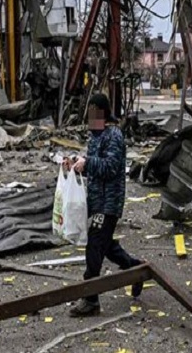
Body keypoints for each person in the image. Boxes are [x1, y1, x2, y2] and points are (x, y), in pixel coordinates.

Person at [64, 93, 143, 317]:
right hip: (97, 201)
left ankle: (91, 300)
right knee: (106, 245)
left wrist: (87, 163)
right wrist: (76, 164)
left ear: (104, 113)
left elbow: (110, 166)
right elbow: (94, 168)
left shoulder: (114, 135)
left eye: (94, 113)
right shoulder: (95, 137)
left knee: (95, 246)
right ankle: (135, 268)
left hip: (109, 202)